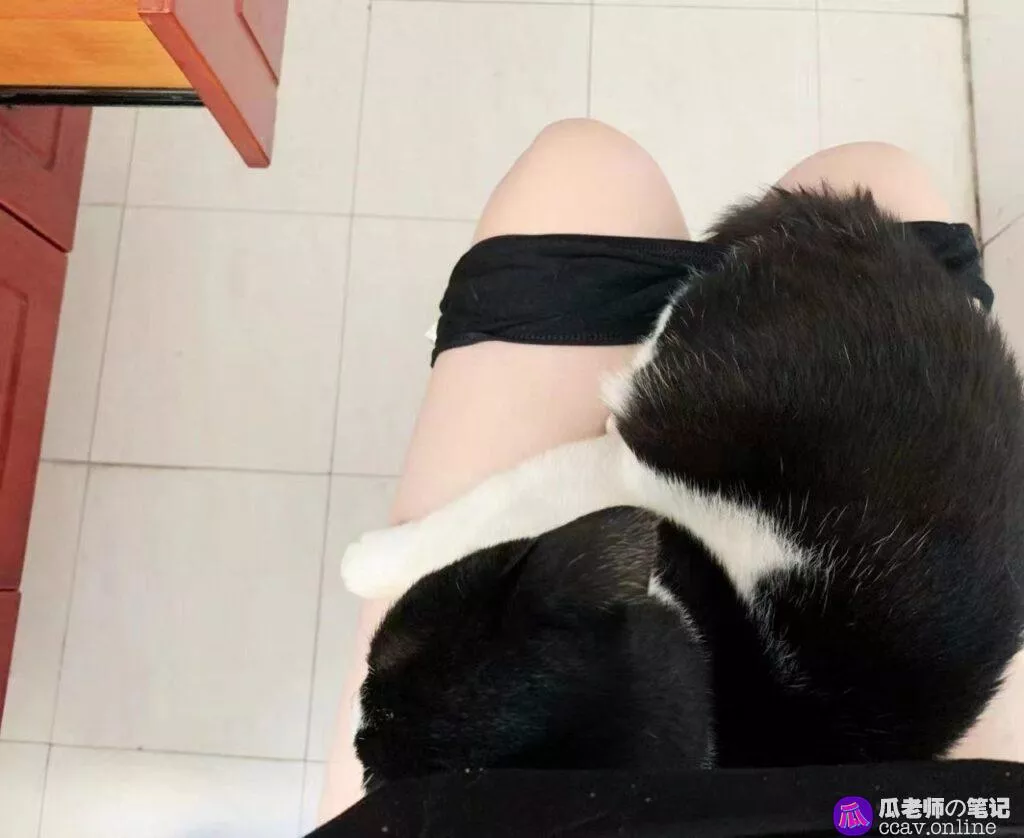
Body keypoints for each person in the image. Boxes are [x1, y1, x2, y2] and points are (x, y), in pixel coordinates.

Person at [318, 120, 1024, 824]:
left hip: (911, 528)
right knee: (600, 168)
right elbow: (606, 502)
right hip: (846, 376)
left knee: (598, 165)